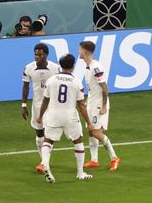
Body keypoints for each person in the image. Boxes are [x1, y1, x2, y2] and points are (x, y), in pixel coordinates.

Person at [36, 53, 94, 183]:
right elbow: (81, 105)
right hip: (70, 116)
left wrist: (40, 116)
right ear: (73, 66)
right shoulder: (76, 82)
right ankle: (80, 173)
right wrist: (88, 122)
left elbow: (45, 100)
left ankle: (45, 163)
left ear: (60, 65)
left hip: (53, 115)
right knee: (78, 141)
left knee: (48, 140)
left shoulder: (51, 80)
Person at [78, 41, 121, 171]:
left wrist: (103, 106)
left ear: (85, 51)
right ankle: (94, 160)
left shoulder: (96, 67)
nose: (79, 52)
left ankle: (114, 157)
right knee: (91, 130)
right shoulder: (88, 67)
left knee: (97, 132)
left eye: (80, 50)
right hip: (91, 102)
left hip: (98, 104)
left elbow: (104, 87)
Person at [21, 43, 61, 173]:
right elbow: (26, 86)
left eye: (40, 54)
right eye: (35, 54)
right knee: (39, 134)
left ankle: (44, 163)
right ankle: (43, 159)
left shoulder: (55, 68)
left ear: (46, 54)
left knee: (48, 134)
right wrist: (24, 105)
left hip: (52, 106)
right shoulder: (28, 68)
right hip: (37, 105)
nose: (37, 56)